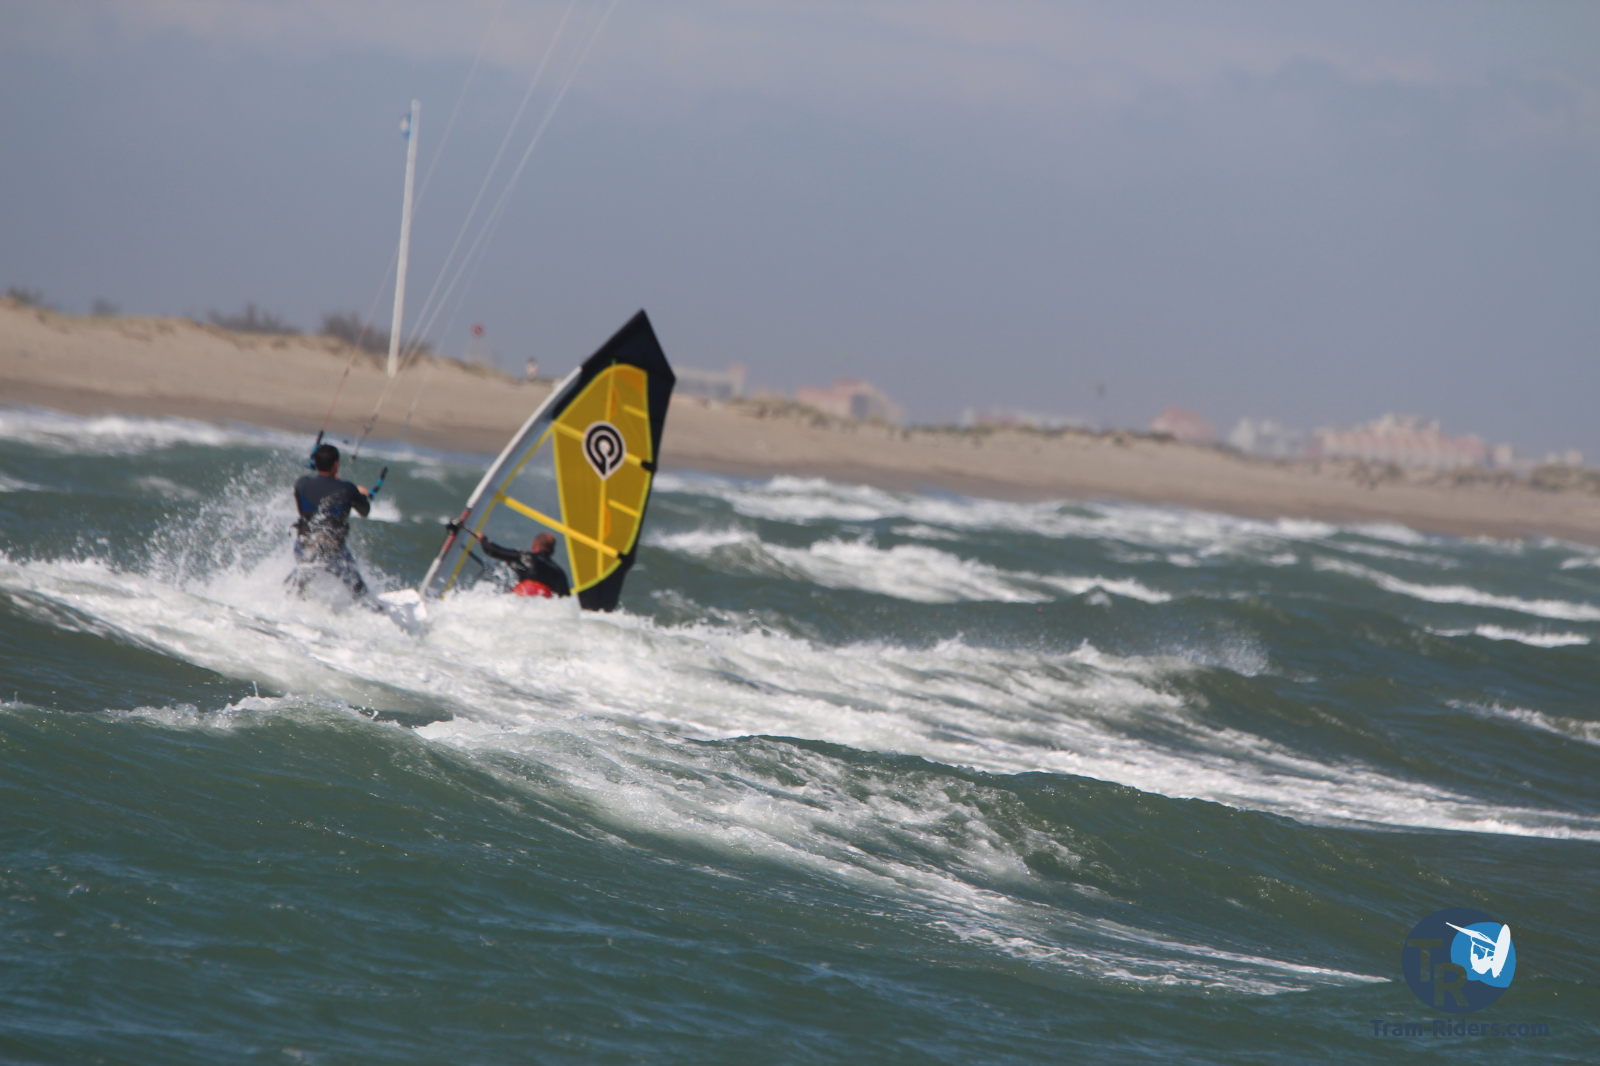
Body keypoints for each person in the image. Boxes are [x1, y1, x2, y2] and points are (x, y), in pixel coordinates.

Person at [289, 443, 372, 598]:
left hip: (304, 544)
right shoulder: (348, 488)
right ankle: (369, 608)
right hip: (333, 550)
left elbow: (308, 507)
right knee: (359, 590)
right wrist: (361, 494)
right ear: (336, 464)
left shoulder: (301, 483)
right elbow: (365, 512)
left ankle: (289, 597)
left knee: (300, 581)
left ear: (315, 462)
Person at [449, 524, 571, 598]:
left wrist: (483, 539)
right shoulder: (560, 573)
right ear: (552, 551)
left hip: (523, 597)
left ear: (534, 546)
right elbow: (566, 600)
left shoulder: (526, 557)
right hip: (543, 606)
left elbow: (493, 551)